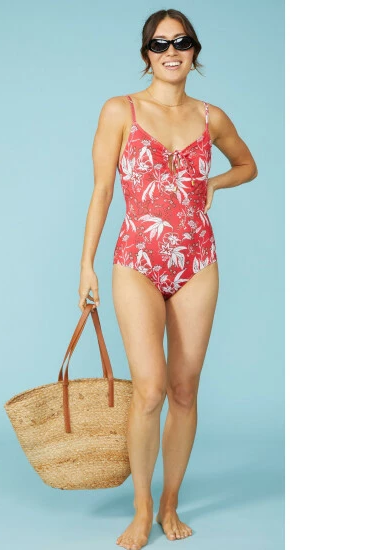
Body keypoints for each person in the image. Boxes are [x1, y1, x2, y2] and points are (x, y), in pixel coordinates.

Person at [78, 8, 258, 550]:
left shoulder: (211, 117)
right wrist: (85, 264)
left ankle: (169, 503)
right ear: (146, 55)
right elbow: (102, 191)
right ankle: (141, 507)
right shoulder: (121, 110)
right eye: (160, 44)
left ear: (194, 50)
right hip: (137, 259)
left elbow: (248, 165)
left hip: (197, 260)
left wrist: (215, 184)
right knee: (151, 389)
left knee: (184, 389)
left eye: (181, 41)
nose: (171, 51)